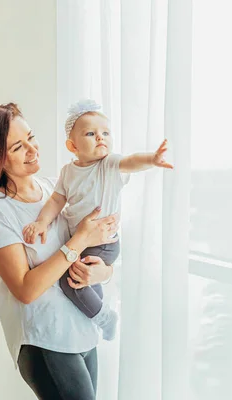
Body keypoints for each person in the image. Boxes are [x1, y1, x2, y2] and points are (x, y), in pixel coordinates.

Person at [0, 103, 119, 400]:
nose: (32, 149)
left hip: (83, 330)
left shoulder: (53, 188)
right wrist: (78, 239)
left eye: (31, 137)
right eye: (17, 147)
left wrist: (102, 271)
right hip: (45, 341)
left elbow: (94, 249)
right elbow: (26, 289)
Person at [22, 99, 173, 341]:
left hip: (103, 242)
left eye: (105, 133)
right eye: (91, 134)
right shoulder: (68, 172)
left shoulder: (109, 165)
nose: (101, 138)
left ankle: (104, 317)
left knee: (70, 280)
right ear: (72, 146)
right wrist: (41, 222)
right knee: (85, 281)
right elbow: (56, 201)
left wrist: (151, 160)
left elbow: (131, 161)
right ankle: (95, 314)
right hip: (81, 239)